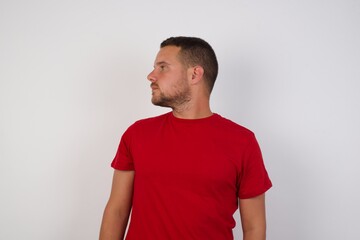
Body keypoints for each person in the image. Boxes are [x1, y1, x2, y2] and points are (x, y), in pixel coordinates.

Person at [99, 36, 272, 240]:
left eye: (163, 67)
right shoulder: (137, 134)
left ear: (194, 74)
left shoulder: (243, 142)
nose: (151, 76)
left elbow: (254, 228)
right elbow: (117, 211)